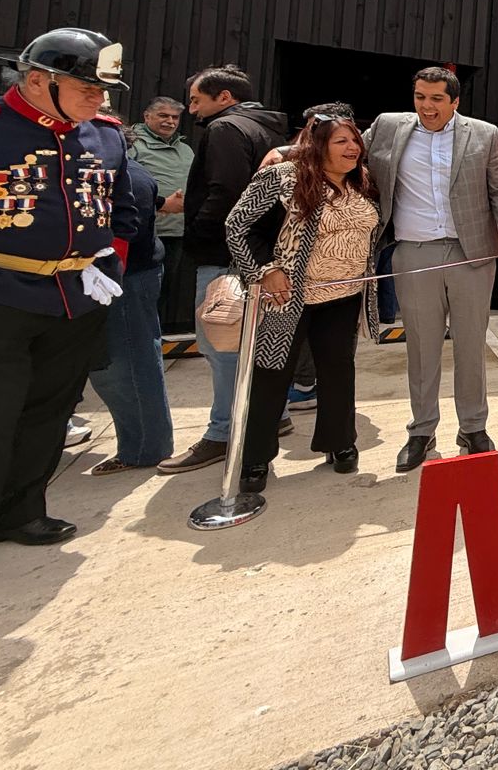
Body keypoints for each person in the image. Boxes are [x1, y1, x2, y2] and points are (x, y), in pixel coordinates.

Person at [0, 28, 137, 585]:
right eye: (87, 86)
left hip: (75, 299)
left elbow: (123, 211)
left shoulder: (106, 135)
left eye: (103, 89)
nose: (100, 99)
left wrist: (109, 270)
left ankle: (17, 512)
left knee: (49, 413)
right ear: (39, 80)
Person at [362, 68, 498, 471]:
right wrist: (289, 152)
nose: (426, 106)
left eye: (436, 99)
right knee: (422, 347)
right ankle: (421, 430)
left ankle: (472, 427)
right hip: (413, 253)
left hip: (471, 254)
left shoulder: (484, 134)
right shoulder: (387, 127)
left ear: (455, 102)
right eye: (420, 97)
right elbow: (340, 150)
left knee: (471, 345)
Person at [226, 114, 382, 491]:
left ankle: (340, 443)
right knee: (272, 374)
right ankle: (256, 458)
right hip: (287, 297)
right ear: (318, 146)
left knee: (338, 371)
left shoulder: (360, 181)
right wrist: (264, 270)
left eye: (354, 141)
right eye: (341, 142)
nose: (352, 149)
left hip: (344, 297)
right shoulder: (281, 177)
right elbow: (237, 225)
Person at [157, 66, 288, 475]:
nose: (191, 110)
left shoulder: (226, 130)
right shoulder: (270, 131)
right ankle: (270, 416)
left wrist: (198, 233)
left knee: (221, 343)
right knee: (254, 344)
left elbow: (227, 192)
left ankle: (223, 432)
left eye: (197, 100)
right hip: (264, 252)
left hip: (227, 255)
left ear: (225, 97)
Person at [86, 118, 174, 473]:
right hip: (120, 279)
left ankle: (144, 448)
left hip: (125, 279)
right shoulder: (120, 172)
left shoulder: (128, 177)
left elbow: (126, 234)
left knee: (127, 366)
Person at [128, 96, 195, 333]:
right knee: (137, 294)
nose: (170, 121)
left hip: (176, 232)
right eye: (163, 116)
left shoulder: (185, 149)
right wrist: (161, 205)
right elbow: (126, 186)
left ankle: (148, 339)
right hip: (145, 233)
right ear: (147, 116)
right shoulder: (133, 144)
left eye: (175, 117)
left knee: (162, 292)